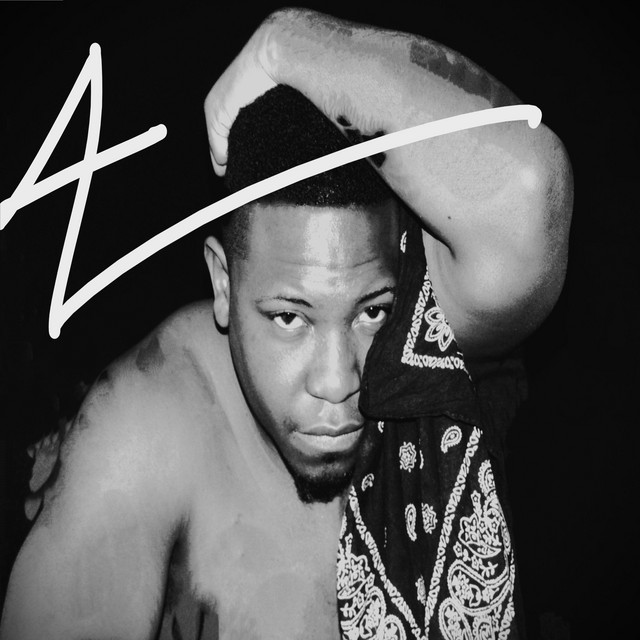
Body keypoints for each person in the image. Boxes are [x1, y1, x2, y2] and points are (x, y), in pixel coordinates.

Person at [0, 7, 572, 640]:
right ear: (224, 284)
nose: (337, 381)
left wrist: (288, 44)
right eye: (290, 317)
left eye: (370, 312)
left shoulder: (427, 330)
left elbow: (532, 190)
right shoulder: (154, 422)